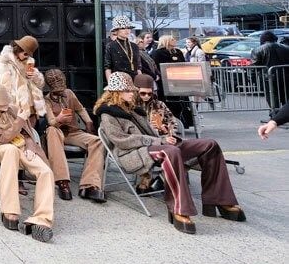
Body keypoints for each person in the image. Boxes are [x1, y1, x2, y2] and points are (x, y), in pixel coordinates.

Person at [95, 73, 246, 234]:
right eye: (128, 90)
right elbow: (121, 141)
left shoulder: (133, 109)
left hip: (153, 148)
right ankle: (178, 208)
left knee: (209, 145)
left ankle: (218, 199)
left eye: (132, 90)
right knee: (170, 152)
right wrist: (158, 142)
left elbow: (153, 134)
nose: (133, 93)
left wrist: (165, 137)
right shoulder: (108, 113)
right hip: (131, 155)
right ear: (116, 92)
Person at [0, 35, 71, 200]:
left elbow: (40, 84)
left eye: (28, 54)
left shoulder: (28, 63)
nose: (26, 56)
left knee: (30, 141)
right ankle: (17, 180)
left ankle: (35, 173)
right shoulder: (4, 63)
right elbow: (0, 87)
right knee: (16, 141)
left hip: (30, 109)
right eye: (24, 53)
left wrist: (34, 76)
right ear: (18, 49)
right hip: (13, 110)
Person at [0, 83, 55, 243]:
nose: (7, 104)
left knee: (46, 172)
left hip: (22, 146)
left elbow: (28, 134)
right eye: (3, 102)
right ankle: (9, 210)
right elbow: (3, 138)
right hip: (1, 148)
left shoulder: (12, 110)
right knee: (10, 151)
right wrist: (19, 121)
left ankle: (42, 218)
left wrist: (30, 146)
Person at [43, 69, 106, 203]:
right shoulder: (47, 100)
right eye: (57, 90)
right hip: (58, 132)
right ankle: (62, 181)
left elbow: (80, 108)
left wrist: (88, 122)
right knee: (52, 131)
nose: (60, 92)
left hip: (73, 132)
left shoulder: (69, 94)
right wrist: (59, 119)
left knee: (97, 142)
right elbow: (50, 122)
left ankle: (90, 184)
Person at [151, 35, 194, 129]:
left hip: (178, 82)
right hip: (164, 83)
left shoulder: (178, 52)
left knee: (179, 104)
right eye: (172, 39)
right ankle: (167, 125)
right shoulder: (158, 53)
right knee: (168, 104)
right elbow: (155, 67)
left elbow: (183, 64)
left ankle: (179, 123)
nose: (174, 40)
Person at [252, 31, 289, 112]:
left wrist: (253, 79)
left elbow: (254, 66)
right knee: (285, 96)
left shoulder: (258, 49)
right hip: (285, 76)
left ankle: (274, 115)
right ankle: (284, 115)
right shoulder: (286, 48)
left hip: (268, 77)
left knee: (272, 96)